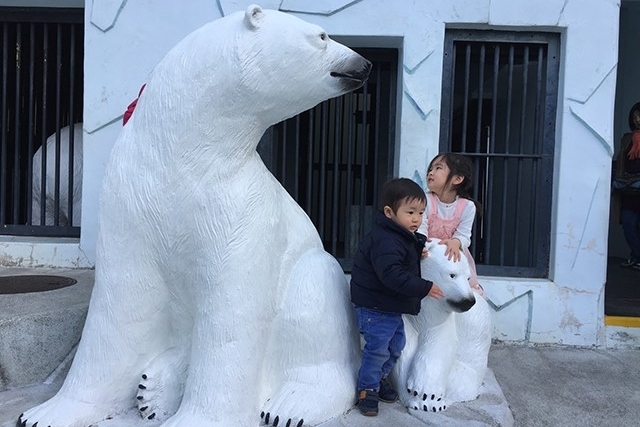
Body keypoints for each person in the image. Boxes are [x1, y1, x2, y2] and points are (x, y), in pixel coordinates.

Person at [350, 177, 444, 417]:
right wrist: (424, 287)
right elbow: (391, 274)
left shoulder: (400, 236)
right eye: (410, 212)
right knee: (378, 349)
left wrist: (417, 250)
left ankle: (378, 378)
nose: (416, 219)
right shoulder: (385, 239)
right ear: (389, 212)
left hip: (387, 306)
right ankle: (367, 389)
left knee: (395, 347)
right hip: (374, 307)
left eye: (421, 213)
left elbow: (402, 255)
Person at [418, 152, 484, 293]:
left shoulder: (467, 206)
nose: (431, 172)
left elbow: (465, 235)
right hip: (427, 252)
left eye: (438, 168)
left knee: (461, 288)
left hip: (452, 254)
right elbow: (420, 228)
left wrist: (456, 242)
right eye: (430, 169)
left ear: (457, 179)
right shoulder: (425, 200)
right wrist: (420, 245)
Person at [614, 102, 640, 270]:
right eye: (634, 116)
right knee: (629, 224)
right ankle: (637, 256)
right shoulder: (627, 138)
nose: (638, 119)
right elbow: (620, 160)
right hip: (628, 188)